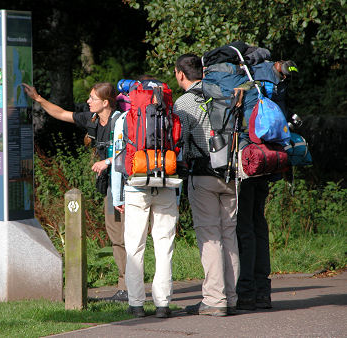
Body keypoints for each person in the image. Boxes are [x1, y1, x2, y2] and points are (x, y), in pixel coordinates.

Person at [22, 82, 128, 302]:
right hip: (111, 188)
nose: (88, 102)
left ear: (105, 102)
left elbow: (128, 150)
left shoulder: (122, 122)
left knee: (126, 237)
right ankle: (126, 288)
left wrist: (107, 161)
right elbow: (61, 113)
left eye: (92, 98)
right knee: (117, 236)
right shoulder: (91, 119)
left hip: (127, 189)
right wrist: (38, 99)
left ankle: (129, 288)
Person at [173, 54, 240, 317]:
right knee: (229, 235)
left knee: (210, 237)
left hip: (203, 176)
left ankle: (214, 300)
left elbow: (181, 143)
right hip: (232, 174)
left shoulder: (184, 102)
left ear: (180, 74)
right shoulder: (224, 92)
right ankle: (232, 297)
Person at [111, 78, 179, 319]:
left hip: (135, 187)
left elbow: (118, 160)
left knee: (134, 247)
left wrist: (117, 195)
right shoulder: (170, 113)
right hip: (166, 185)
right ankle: (163, 304)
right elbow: (177, 149)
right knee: (164, 246)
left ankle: (136, 303)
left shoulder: (123, 119)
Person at [235, 60, 298, 311]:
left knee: (245, 226)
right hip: (270, 158)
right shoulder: (272, 82)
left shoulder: (245, 80)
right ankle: (263, 292)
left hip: (249, 158)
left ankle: (246, 292)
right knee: (259, 223)